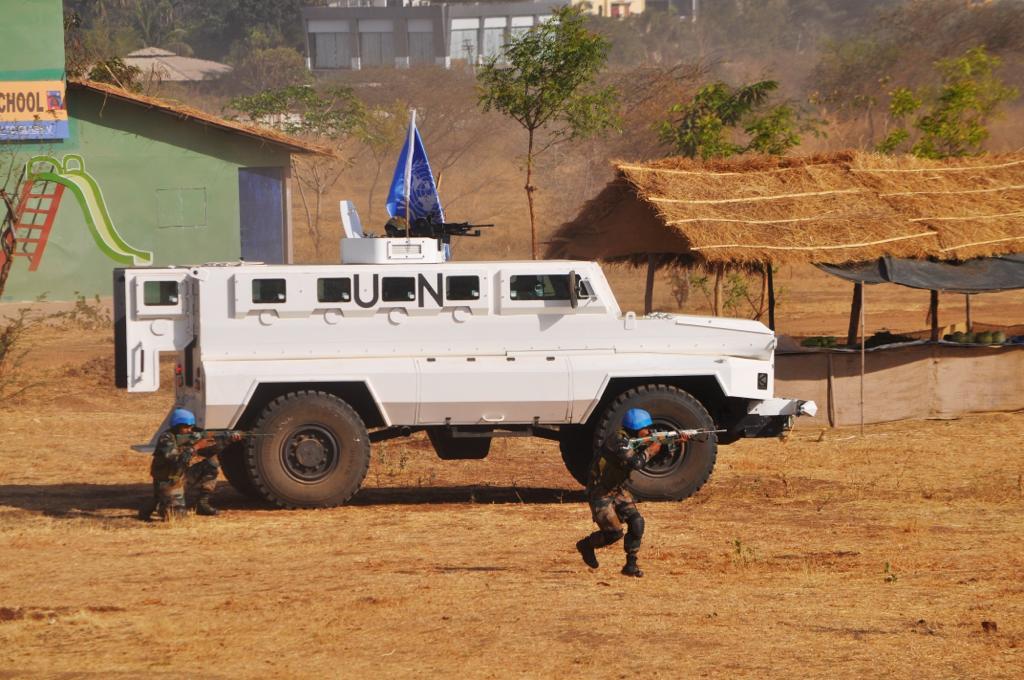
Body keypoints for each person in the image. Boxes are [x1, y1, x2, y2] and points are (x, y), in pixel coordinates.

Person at [575, 408, 689, 577]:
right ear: (636, 427)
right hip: (600, 492)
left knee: (637, 522)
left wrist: (672, 443)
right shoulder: (618, 441)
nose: (649, 431)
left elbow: (653, 459)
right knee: (614, 534)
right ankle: (587, 545)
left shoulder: (636, 440)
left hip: (618, 489)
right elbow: (635, 462)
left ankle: (631, 565)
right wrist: (652, 449)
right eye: (646, 428)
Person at [138, 408, 241, 521]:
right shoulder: (166, 438)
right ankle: (158, 502)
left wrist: (227, 440)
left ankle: (202, 503)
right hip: (168, 481)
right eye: (186, 427)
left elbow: (210, 450)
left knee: (211, 463)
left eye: (191, 427)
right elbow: (174, 458)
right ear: (176, 426)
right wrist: (196, 447)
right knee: (177, 515)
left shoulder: (192, 435)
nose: (189, 430)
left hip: (182, 476)